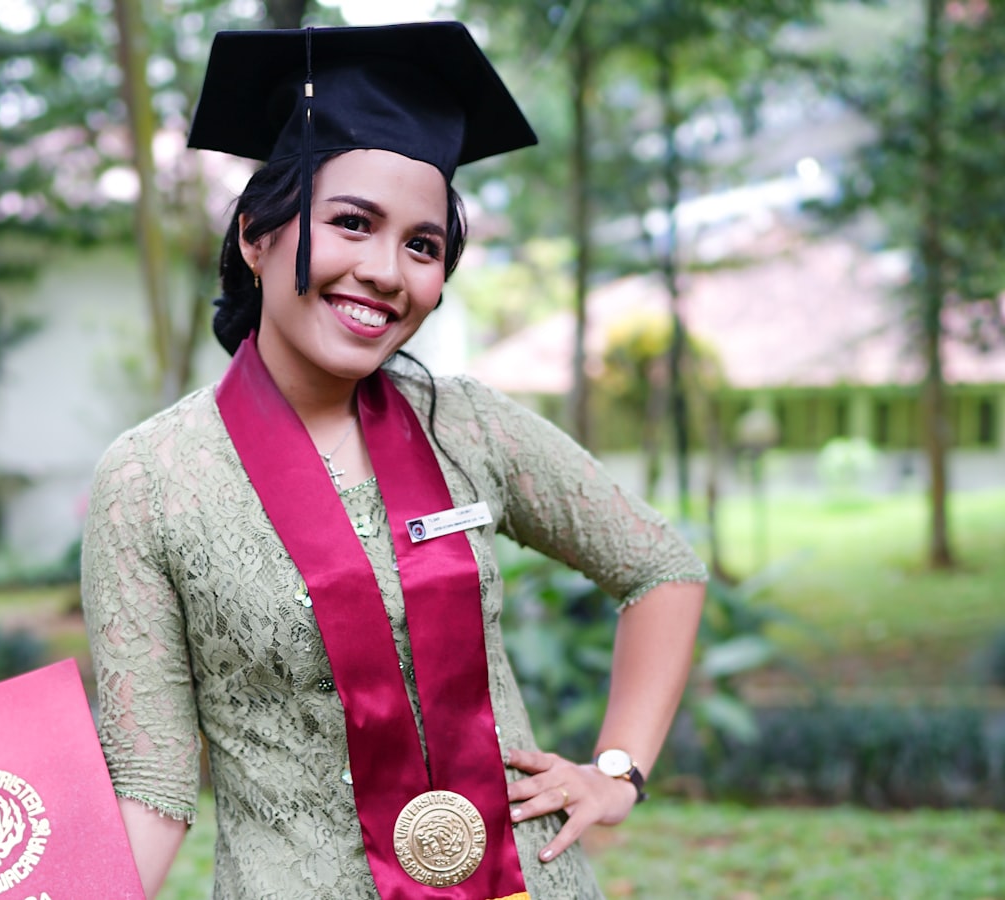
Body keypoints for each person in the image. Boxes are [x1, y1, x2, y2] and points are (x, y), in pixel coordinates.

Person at [81, 21, 708, 899]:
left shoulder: (467, 426)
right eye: (352, 223)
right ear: (256, 235)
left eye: (422, 245)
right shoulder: (151, 479)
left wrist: (617, 771)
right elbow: (152, 788)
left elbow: (662, 568)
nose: (386, 271)